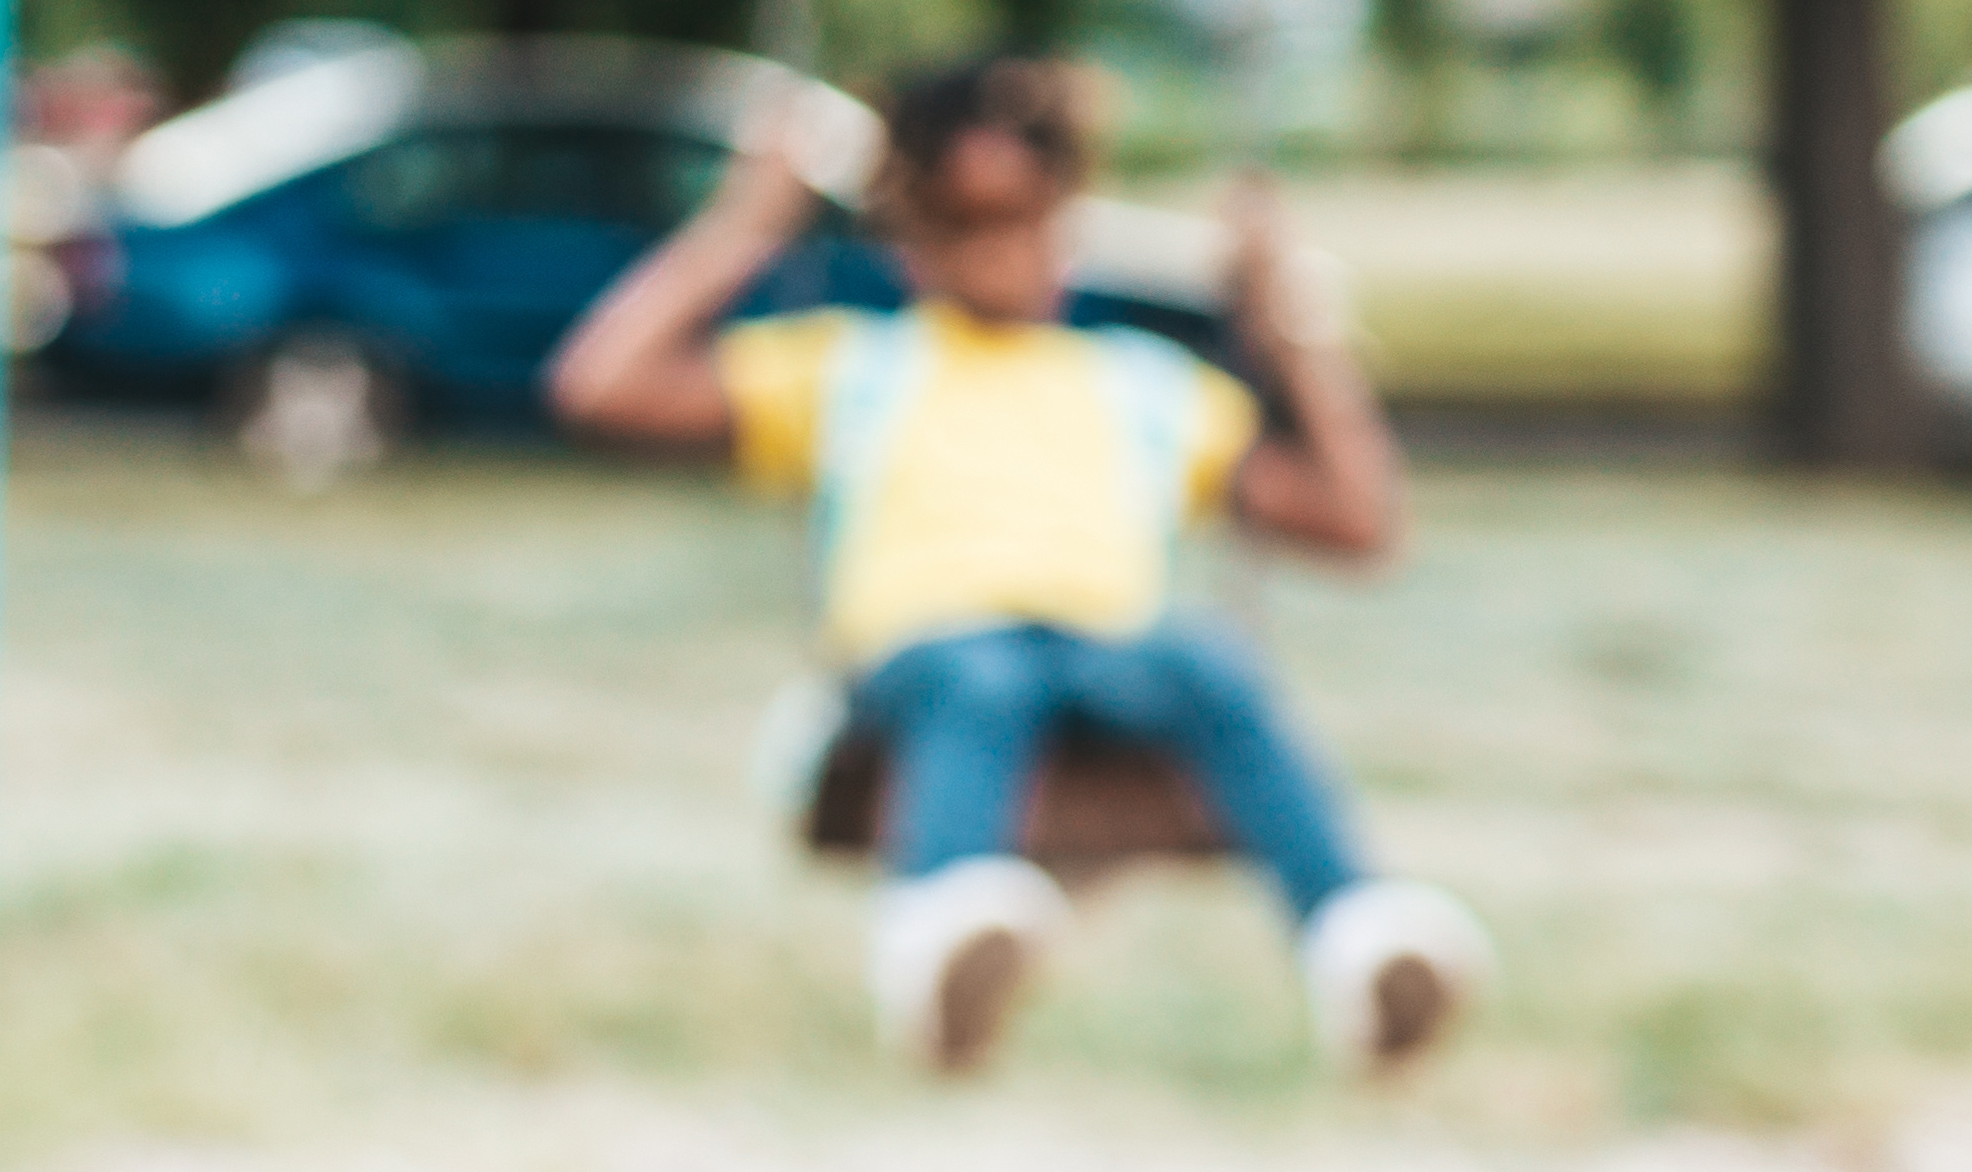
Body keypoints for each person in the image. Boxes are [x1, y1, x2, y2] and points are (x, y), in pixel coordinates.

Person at [549, 54, 1484, 1075]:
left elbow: (1361, 524)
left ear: (1067, 220)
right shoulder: (853, 365)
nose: (998, 251)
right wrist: (746, 225)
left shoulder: (1143, 386)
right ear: (911, 241)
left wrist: (1294, 330)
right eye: (962, 222)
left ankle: (1359, 940)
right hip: (924, 662)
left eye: (1024, 216)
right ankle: (940, 951)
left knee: (1210, 660)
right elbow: (600, 386)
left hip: (1105, 656)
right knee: (981, 670)